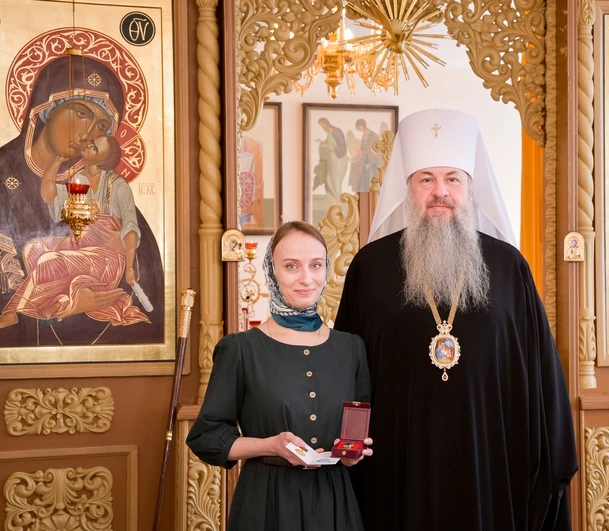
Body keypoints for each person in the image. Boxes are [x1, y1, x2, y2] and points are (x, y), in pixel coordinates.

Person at [334, 108, 577, 530]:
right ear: (408, 189)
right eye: (426, 180)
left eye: (452, 179)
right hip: (396, 464)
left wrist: (552, 454)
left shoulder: (509, 267)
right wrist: (350, 445)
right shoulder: (370, 268)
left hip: (490, 461)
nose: (439, 192)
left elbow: (540, 376)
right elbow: (348, 369)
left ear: (469, 187)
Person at [187, 221, 373, 531]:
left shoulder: (351, 348)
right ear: (271, 272)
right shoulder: (240, 349)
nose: (306, 278)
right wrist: (271, 446)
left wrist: (352, 454)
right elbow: (206, 437)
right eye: (291, 266)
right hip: (266, 504)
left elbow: (357, 429)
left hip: (334, 503)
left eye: (316, 265)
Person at [0, 55, 164, 346]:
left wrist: (123, 249)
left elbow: (145, 266)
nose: (88, 133)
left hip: (95, 282)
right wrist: (67, 307)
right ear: (47, 108)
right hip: (22, 348)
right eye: (81, 112)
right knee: (38, 250)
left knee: (50, 257)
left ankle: (30, 307)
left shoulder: (110, 186)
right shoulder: (4, 172)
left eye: (101, 126)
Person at [0, 135, 149, 328]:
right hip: (78, 245)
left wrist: (129, 267)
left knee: (49, 260)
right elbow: (50, 197)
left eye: (95, 148)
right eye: (92, 143)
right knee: (33, 249)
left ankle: (13, 312)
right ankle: (59, 300)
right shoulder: (79, 179)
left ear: (102, 161)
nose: (88, 146)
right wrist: (56, 163)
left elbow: (130, 228)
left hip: (105, 258)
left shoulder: (118, 187)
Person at [313, 117, 348, 206]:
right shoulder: (329, 133)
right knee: (329, 180)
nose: (322, 127)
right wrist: (321, 142)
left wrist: (327, 146)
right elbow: (328, 144)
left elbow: (342, 148)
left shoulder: (337, 132)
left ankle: (339, 206)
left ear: (326, 123)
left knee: (336, 182)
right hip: (331, 160)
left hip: (339, 160)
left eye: (323, 125)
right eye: (321, 126)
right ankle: (331, 206)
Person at [348, 119, 382, 192]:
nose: (359, 130)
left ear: (362, 125)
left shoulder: (372, 135)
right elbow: (362, 150)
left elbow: (378, 147)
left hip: (372, 161)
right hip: (364, 161)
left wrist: (373, 151)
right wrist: (355, 158)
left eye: (359, 128)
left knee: (370, 180)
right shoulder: (364, 135)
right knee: (363, 182)